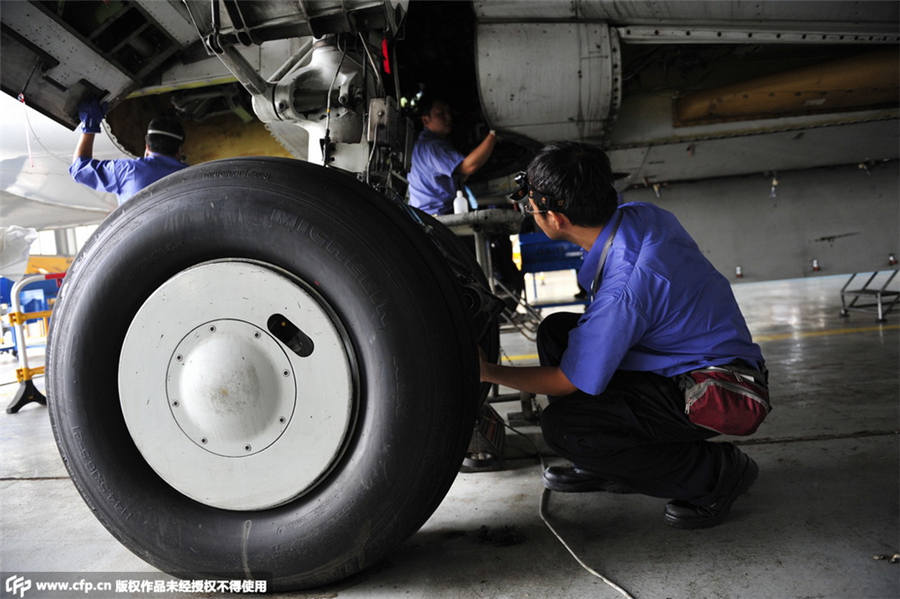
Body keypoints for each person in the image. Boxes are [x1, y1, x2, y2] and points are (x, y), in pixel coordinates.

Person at [480, 142, 768, 529]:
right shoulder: (638, 217)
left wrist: (484, 371)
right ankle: (604, 462)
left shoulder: (627, 288)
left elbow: (565, 382)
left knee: (565, 428)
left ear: (557, 218)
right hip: (680, 359)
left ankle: (715, 475)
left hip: (716, 388)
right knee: (556, 332)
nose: (530, 212)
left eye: (530, 205)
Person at [70, 98, 188, 205]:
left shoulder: (127, 170)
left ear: (147, 146)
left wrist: (89, 126)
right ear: (179, 150)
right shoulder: (195, 176)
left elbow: (79, 169)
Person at [407, 98, 496, 215]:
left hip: (430, 213)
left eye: (448, 113)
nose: (448, 117)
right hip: (434, 217)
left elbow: (461, 175)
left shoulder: (429, 143)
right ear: (425, 120)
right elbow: (468, 167)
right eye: (440, 114)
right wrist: (493, 134)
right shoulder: (432, 147)